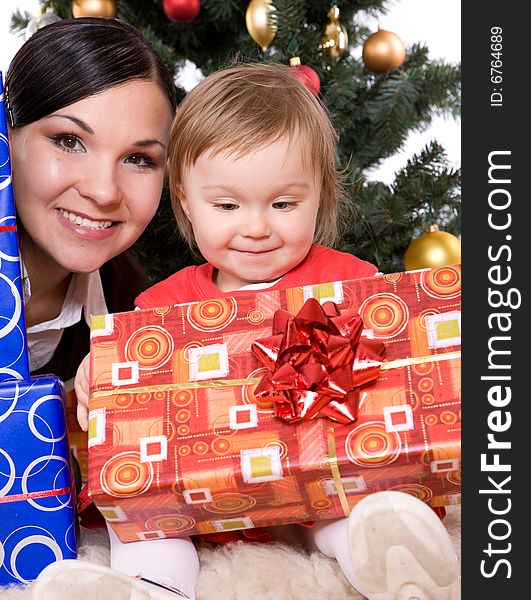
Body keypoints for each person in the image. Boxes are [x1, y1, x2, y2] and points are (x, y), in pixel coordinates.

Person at [37, 63, 460, 600]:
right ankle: (147, 587)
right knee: (146, 527)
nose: (257, 227)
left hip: (325, 480)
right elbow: (126, 389)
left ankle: (397, 566)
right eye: (228, 205)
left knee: (358, 512)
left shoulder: (352, 284)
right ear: (187, 202)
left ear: (321, 195)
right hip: (209, 504)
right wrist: (98, 374)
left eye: (284, 204)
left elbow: (403, 364)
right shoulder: (161, 309)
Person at [5, 16, 176, 390]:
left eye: (138, 159)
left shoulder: (139, 316)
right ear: (6, 137)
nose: (104, 192)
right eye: (68, 141)